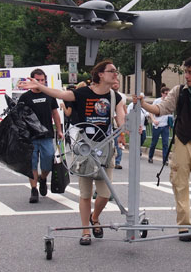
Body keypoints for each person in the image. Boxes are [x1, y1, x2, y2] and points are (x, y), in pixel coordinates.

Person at [19, 60, 126, 246]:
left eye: (116, 71)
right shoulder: (82, 93)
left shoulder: (116, 97)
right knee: (85, 194)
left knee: (105, 194)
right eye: (112, 71)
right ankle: (86, 231)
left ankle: (95, 217)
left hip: (106, 150)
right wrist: (40, 86)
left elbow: (121, 121)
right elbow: (61, 94)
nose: (116, 74)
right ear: (101, 74)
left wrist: (128, 128)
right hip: (85, 149)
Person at [135, 57, 191, 242]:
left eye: (190, 72)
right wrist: (143, 104)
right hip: (182, 143)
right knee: (180, 185)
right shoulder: (179, 92)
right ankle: (184, 226)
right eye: (185, 72)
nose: (187, 76)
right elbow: (161, 109)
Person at [18, 68, 63, 204]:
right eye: (37, 80)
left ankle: (43, 178)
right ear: (31, 80)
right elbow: (19, 117)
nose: (40, 82)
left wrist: (59, 130)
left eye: (42, 80)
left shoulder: (49, 95)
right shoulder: (25, 97)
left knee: (48, 162)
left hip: (47, 135)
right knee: (32, 164)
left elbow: (55, 113)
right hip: (31, 137)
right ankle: (34, 190)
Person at [147, 86, 173, 165]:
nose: (167, 95)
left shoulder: (169, 102)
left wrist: (170, 124)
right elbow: (150, 111)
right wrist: (153, 120)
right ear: (162, 94)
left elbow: (170, 114)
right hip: (157, 125)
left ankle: (165, 160)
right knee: (154, 142)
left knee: (165, 144)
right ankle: (150, 156)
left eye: (168, 94)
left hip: (165, 126)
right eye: (166, 94)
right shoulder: (157, 101)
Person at [113, 80, 126, 169]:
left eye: (117, 83)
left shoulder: (122, 96)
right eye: (114, 83)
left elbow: (124, 109)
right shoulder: (109, 95)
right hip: (111, 123)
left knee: (119, 143)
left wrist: (125, 120)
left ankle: (117, 161)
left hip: (119, 125)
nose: (115, 85)